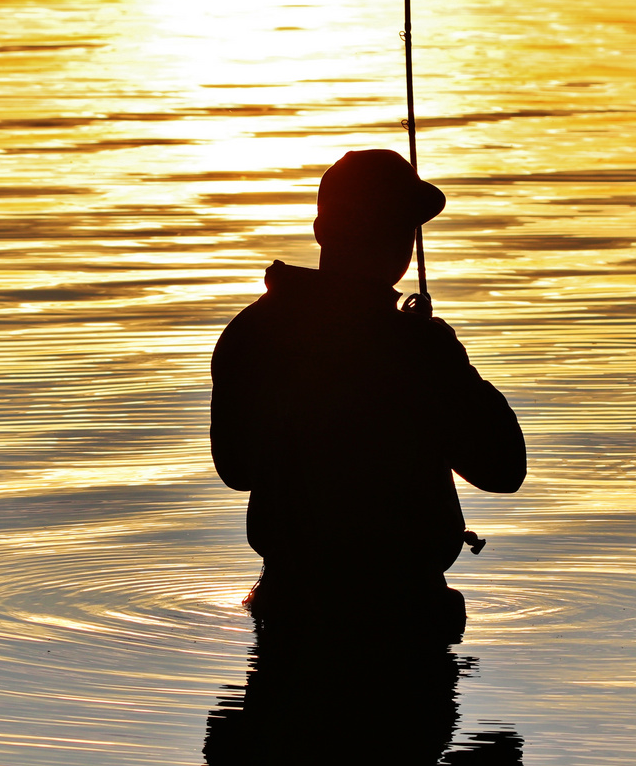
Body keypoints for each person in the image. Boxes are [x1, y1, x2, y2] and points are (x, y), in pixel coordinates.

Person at [210, 149, 525, 629]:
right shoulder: (420, 348)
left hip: (290, 611)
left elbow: (236, 469)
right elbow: (502, 468)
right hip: (405, 615)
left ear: (321, 232)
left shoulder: (251, 332)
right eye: (400, 227)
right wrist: (446, 355)